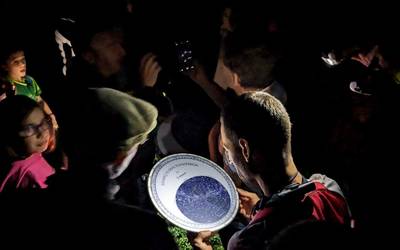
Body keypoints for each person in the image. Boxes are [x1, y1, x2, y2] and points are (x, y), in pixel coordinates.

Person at [193, 92, 351, 250]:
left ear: (245, 149)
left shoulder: (246, 242)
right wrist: (261, 212)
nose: (229, 158)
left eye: (228, 149)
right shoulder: (329, 187)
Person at [0, 95, 56, 192]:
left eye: (43, 122)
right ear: (11, 136)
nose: (41, 133)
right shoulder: (31, 178)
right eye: (29, 129)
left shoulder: (29, 153)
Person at [0, 42, 58, 128]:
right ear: (5, 66)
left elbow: (39, 100)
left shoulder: (30, 80)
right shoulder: (6, 85)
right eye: (16, 62)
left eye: (23, 60)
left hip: (41, 125)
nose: (22, 64)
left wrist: (51, 116)